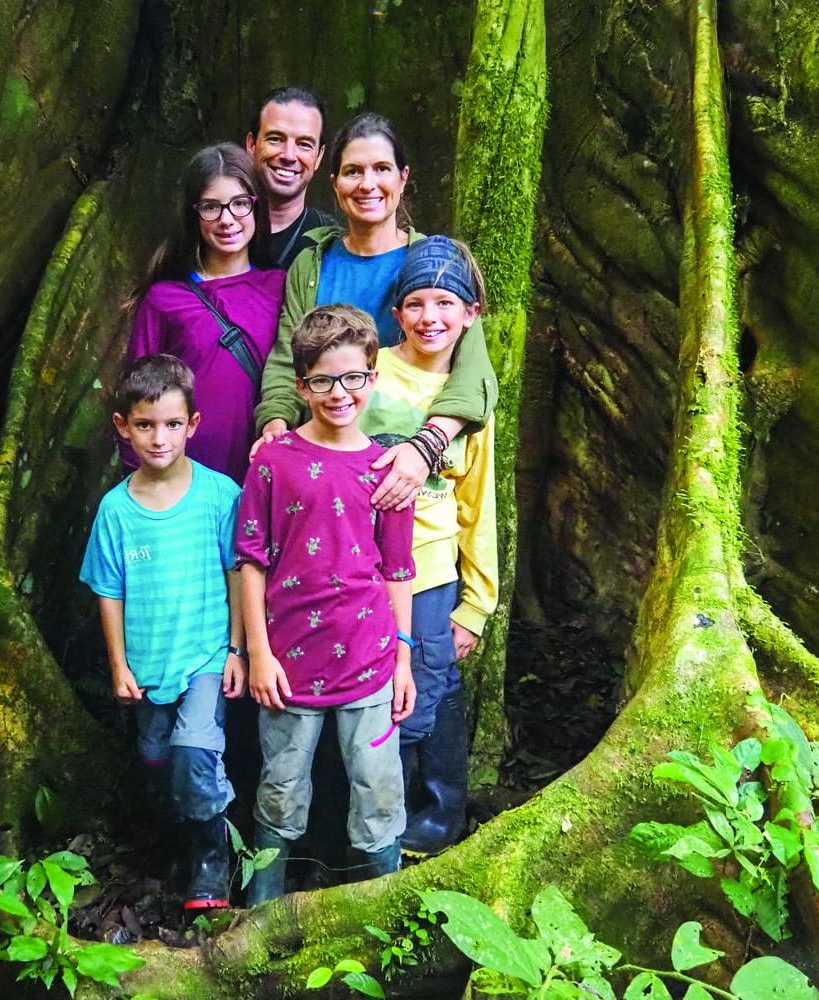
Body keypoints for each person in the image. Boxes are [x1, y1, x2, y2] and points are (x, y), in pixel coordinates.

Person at [236, 305, 417, 905]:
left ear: (372, 376)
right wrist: (257, 653)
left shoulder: (388, 468)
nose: (339, 393)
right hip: (288, 663)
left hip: (369, 660)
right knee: (281, 786)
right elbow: (251, 558)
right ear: (301, 385)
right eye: (322, 381)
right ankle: (258, 917)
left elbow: (397, 570)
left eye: (353, 378)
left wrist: (405, 658)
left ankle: (380, 915)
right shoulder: (273, 460)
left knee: (377, 788)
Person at [252, 112, 498, 512]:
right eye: (353, 171)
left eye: (381, 169)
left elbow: (476, 376)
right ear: (334, 184)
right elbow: (286, 359)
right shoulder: (311, 264)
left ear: (402, 177)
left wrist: (425, 448)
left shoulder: (434, 262)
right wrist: (276, 422)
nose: (368, 184)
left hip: (411, 475)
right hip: (326, 472)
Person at [79, 355, 247, 911]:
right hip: (148, 661)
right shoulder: (115, 510)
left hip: (204, 654)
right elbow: (109, 591)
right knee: (155, 757)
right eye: (146, 425)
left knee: (193, 749)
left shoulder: (219, 495)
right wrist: (118, 665)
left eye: (173, 424)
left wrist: (236, 650)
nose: (159, 437)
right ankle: (174, 838)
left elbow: (238, 574)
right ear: (123, 427)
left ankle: (210, 859)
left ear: (193, 424)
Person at [361, 236, 498, 855]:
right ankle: (374, 809)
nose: (430, 318)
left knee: (432, 686)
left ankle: (439, 811)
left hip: (432, 573)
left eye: (446, 303)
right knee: (371, 685)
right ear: (398, 315)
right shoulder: (369, 374)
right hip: (360, 566)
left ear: (470, 314)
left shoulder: (471, 404)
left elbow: (477, 505)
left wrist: (477, 603)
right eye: (416, 304)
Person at [124, 144, 284, 482]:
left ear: (257, 208)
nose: (227, 220)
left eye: (240, 204)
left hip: (267, 474)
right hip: (184, 483)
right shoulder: (165, 298)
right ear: (193, 214)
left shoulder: (281, 287)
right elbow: (134, 399)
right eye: (211, 207)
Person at [245, 87, 336, 270]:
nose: (289, 156)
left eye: (304, 144)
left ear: (318, 157)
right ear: (251, 145)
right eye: (275, 139)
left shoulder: (332, 244)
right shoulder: (218, 229)